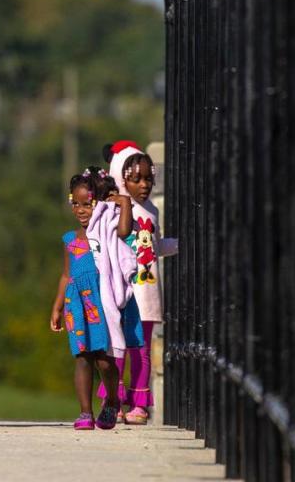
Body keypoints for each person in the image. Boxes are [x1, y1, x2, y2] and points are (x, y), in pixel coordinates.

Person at [98, 140, 178, 425]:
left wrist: (178, 245)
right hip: (121, 291)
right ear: (122, 178)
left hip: (146, 291)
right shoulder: (114, 209)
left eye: (148, 179)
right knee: (117, 347)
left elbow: (153, 248)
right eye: (136, 179)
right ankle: (114, 400)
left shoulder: (152, 213)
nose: (144, 185)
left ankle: (140, 404)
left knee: (140, 349)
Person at [50, 167, 136, 430]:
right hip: (76, 305)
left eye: (87, 204)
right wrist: (56, 307)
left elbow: (124, 231)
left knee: (104, 360)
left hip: (101, 303)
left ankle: (112, 400)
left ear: (99, 204)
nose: (80, 210)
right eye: (75, 204)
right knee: (82, 356)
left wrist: (123, 202)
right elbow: (66, 276)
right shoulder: (70, 240)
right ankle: (85, 412)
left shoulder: (106, 232)